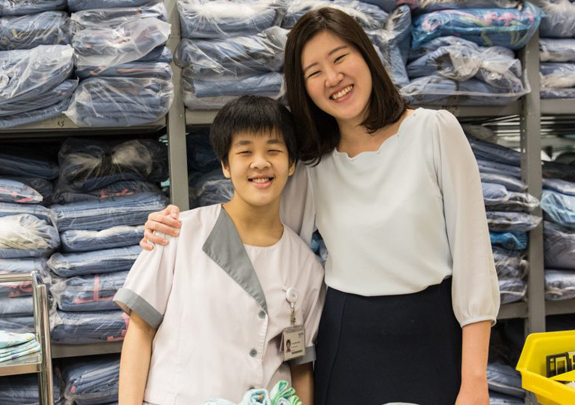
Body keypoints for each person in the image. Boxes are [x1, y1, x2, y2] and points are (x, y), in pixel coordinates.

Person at [141, 7, 500, 405]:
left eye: (340, 57)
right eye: (313, 72)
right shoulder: (314, 164)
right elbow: (266, 241)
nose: (332, 78)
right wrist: (177, 229)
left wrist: (475, 379)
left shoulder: (435, 131)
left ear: (367, 55)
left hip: (431, 336)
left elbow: (474, 263)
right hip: (346, 343)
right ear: (303, 88)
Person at [115, 96, 324, 405]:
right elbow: (139, 332)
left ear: (291, 164)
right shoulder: (177, 233)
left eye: (273, 150)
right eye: (245, 151)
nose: (260, 162)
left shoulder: (306, 266)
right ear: (226, 165)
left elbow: (301, 367)